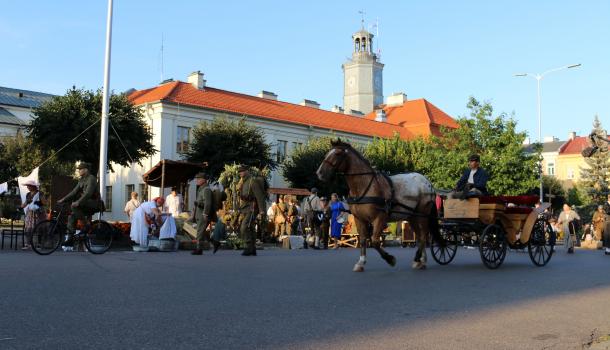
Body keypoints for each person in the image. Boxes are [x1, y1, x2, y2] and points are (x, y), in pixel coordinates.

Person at [58, 162, 102, 246]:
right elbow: (74, 192)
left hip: (94, 202)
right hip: (86, 202)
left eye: (80, 169)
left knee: (73, 206)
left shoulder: (91, 178)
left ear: (86, 170)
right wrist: (63, 199)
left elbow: (88, 193)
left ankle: (87, 225)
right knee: (71, 217)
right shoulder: (82, 180)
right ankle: (70, 239)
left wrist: (78, 202)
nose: (79, 171)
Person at [236, 164, 267, 256]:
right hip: (245, 207)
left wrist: (262, 210)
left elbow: (260, 196)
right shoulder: (243, 182)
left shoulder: (252, 181)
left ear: (247, 171)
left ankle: (248, 246)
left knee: (244, 227)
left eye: (242, 171)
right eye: (239, 171)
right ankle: (252, 249)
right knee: (251, 228)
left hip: (252, 208)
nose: (240, 173)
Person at [192, 173, 214, 255]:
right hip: (199, 213)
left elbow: (208, 203)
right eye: (196, 179)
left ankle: (199, 249)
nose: (197, 180)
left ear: (204, 180)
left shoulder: (206, 189)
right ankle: (215, 242)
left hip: (203, 214)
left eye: (199, 179)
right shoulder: (201, 189)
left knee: (200, 232)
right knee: (201, 231)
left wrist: (205, 213)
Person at [21, 179, 46, 250]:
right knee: (28, 228)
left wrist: (36, 203)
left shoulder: (40, 193)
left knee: (39, 228)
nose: (27, 187)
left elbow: (44, 202)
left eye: (29, 186)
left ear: (33, 186)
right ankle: (28, 244)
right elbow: (26, 203)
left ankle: (39, 244)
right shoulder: (28, 194)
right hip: (30, 213)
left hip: (39, 213)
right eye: (27, 186)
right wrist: (20, 208)